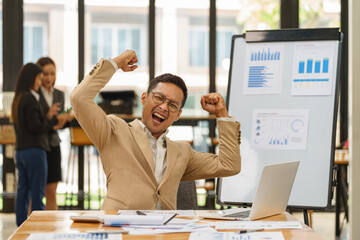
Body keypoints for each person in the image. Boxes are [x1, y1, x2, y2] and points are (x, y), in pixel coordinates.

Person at [70, 50, 241, 210]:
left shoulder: (182, 152)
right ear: (144, 98)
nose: (164, 107)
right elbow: (79, 98)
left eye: (172, 105)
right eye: (159, 98)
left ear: (178, 115)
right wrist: (115, 63)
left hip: (166, 233)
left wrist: (221, 114)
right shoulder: (114, 130)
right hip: (120, 231)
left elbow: (229, 165)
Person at [11, 63, 62, 226]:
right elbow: (36, 127)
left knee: (23, 192)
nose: (40, 82)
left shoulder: (18, 98)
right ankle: (38, 230)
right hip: (35, 151)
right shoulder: (31, 98)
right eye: (39, 78)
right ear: (32, 79)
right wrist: (51, 120)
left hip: (20, 151)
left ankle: (21, 228)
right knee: (37, 192)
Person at [36, 57, 72, 210]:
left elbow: (59, 124)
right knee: (36, 192)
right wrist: (51, 118)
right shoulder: (34, 94)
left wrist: (66, 119)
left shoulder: (59, 94)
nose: (49, 78)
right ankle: (32, 229)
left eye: (52, 73)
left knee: (51, 192)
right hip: (38, 145)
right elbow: (35, 122)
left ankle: (51, 229)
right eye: (45, 74)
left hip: (54, 145)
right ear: (39, 75)